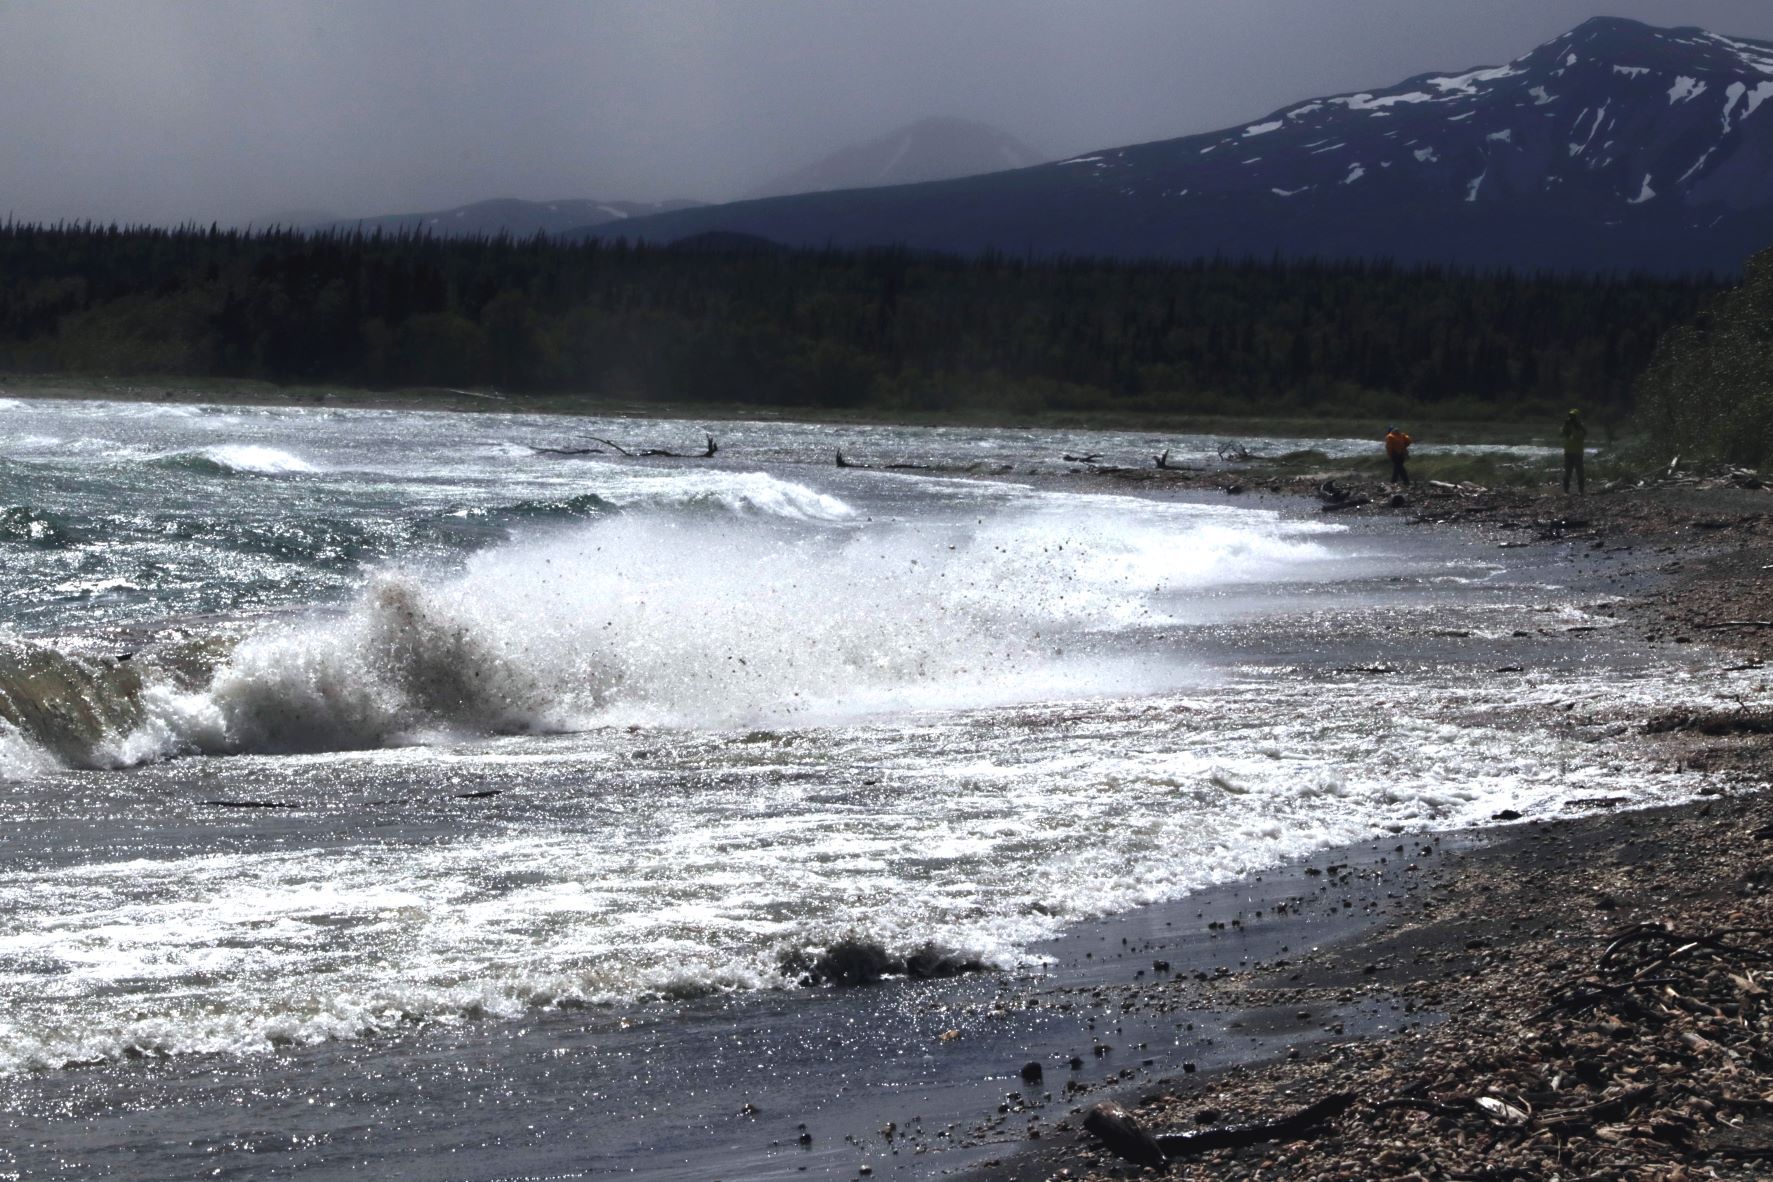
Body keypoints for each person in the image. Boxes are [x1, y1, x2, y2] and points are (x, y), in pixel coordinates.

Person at [1561, 408, 1587, 494]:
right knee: (1567, 472)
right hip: (1568, 452)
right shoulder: (1568, 425)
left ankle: (1581, 490)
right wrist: (1566, 425)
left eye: (1573, 417)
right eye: (1571, 416)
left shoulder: (1581, 427)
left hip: (1577, 452)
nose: (1571, 418)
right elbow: (1562, 434)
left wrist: (1574, 427)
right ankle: (1566, 490)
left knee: (1580, 472)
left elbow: (1578, 436)